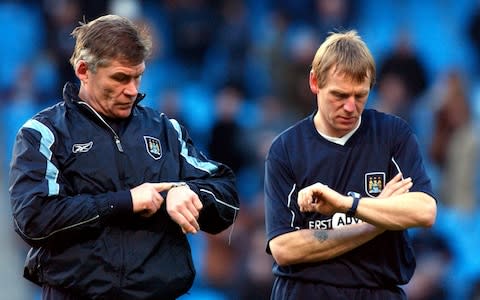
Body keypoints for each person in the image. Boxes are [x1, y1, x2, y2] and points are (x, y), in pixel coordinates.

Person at [9, 14, 240, 300]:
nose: (132, 90)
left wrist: (188, 192)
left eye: (137, 76)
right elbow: (34, 220)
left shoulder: (165, 129)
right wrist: (125, 202)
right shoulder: (44, 133)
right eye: (120, 78)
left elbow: (226, 193)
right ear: (83, 70)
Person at [264, 30, 437, 299]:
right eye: (339, 95)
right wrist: (379, 220)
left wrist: (347, 205)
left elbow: (424, 211)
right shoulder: (286, 148)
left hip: (379, 291)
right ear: (314, 82)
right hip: (305, 291)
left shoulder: (393, 135)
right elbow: (284, 249)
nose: (350, 107)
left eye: (360, 95)